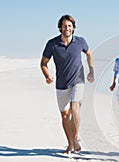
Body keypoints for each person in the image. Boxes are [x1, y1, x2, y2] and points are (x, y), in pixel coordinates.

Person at [40, 14, 94, 154]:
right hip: (61, 83)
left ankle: (75, 138)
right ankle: (70, 143)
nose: (67, 28)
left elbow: (89, 54)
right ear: (60, 27)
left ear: (73, 27)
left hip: (78, 80)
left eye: (69, 26)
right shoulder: (52, 44)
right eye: (64, 26)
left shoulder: (80, 41)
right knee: (65, 115)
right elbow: (43, 63)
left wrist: (91, 71)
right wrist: (47, 76)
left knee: (75, 107)